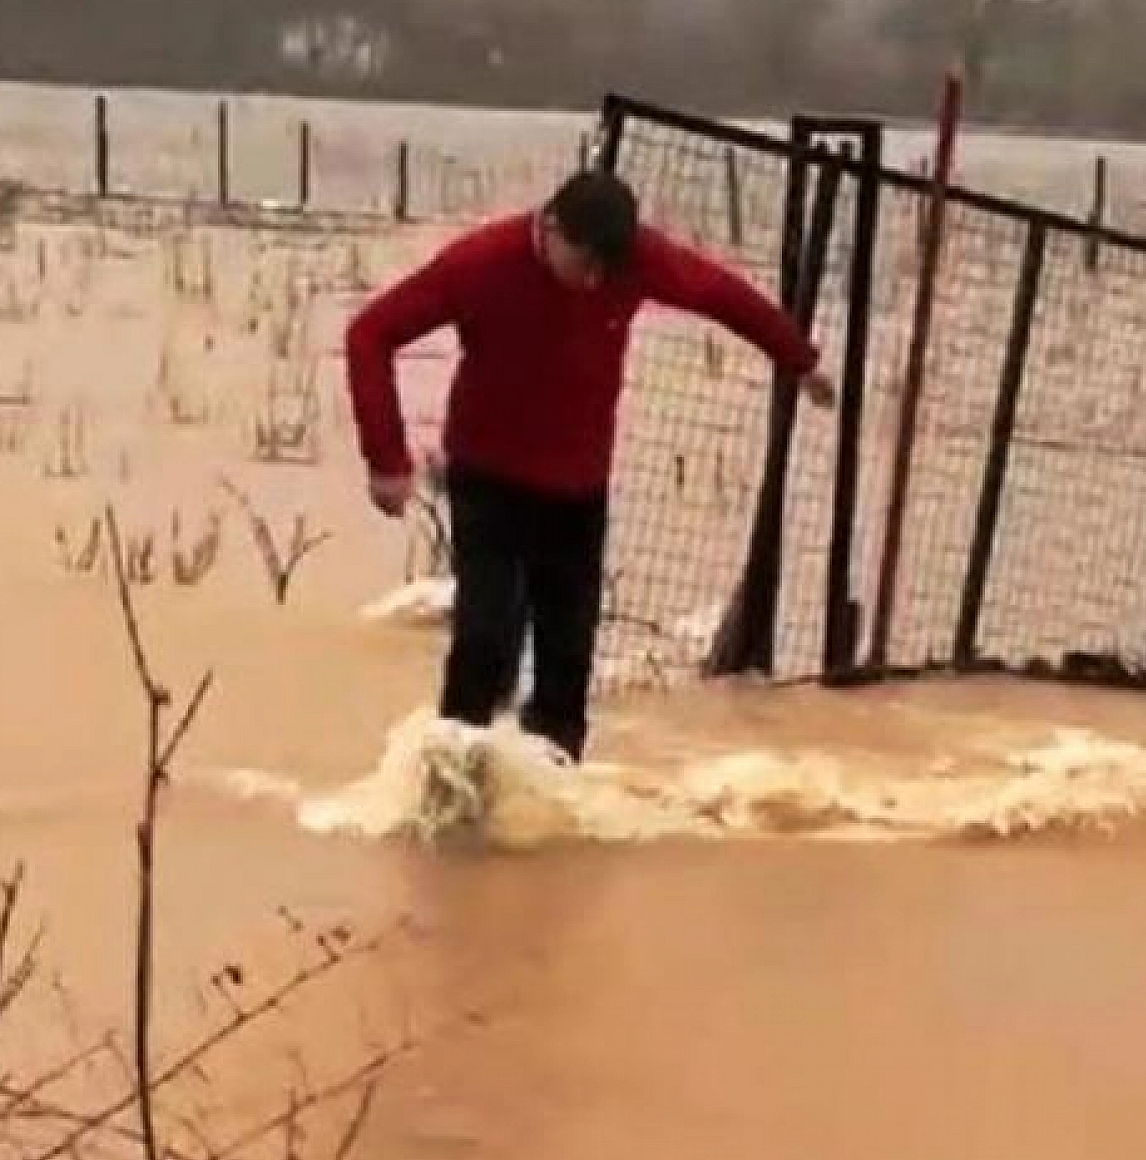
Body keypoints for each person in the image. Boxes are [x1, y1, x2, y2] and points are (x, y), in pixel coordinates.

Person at [344, 168, 835, 763]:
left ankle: (550, 792)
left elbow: (720, 294)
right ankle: (452, 781)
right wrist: (385, 459)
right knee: (485, 638)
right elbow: (370, 333)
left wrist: (798, 358)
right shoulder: (480, 264)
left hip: (577, 491)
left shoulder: (637, 261)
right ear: (551, 228)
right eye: (586, 263)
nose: (597, 280)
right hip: (488, 480)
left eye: (610, 268)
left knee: (568, 657)